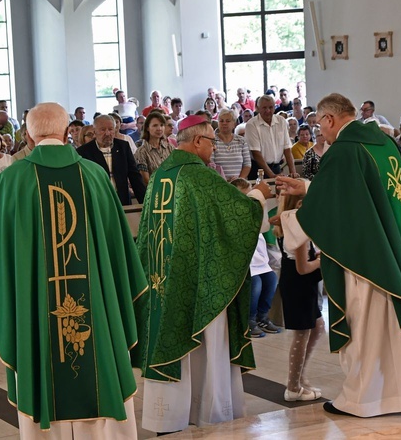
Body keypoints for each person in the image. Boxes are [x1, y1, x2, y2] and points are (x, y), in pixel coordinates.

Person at [275, 93, 401, 417]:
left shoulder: (344, 150)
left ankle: (366, 399)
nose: (320, 133)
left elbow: (339, 202)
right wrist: (306, 187)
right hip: (400, 246)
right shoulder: (383, 143)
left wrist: (290, 222)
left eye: (319, 126)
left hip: (367, 257)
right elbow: (358, 194)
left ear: (330, 119)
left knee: (370, 324)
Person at [0, 102, 148, 436]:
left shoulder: (9, 183)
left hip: (37, 311)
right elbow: (118, 250)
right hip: (95, 312)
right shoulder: (96, 176)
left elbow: (2, 257)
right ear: (68, 130)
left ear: (27, 134)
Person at [133, 115, 272, 434]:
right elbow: (237, 217)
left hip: (162, 278)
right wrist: (260, 194)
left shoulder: (160, 176)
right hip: (198, 282)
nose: (213, 147)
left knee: (171, 341)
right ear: (197, 141)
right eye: (211, 141)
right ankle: (208, 413)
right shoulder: (199, 176)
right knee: (206, 344)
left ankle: (168, 416)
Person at [272, 191, 324, 402]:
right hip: (299, 284)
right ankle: (293, 387)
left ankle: (300, 376)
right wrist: (324, 260)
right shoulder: (297, 231)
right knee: (302, 334)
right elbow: (303, 268)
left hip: (302, 284)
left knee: (318, 328)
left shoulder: (291, 224)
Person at [232, 178, 279, 338]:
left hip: (259, 262)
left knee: (271, 279)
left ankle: (262, 317)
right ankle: (249, 320)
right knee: (256, 283)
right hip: (246, 264)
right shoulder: (235, 213)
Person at [76, 115, 146, 206]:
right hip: (98, 203)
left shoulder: (123, 147)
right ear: (94, 131)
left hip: (122, 201)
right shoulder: (84, 152)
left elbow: (134, 176)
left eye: (110, 129)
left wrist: (144, 203)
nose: (107, 133)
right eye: (103, 130)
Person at [245, 95, 298, 180]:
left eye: (270, 107)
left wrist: (293, 172)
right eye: (264, 107)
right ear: (258, 108)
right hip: (259, 169)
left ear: (274, 107)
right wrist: (272, 175)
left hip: (276, 167)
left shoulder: (281, 121)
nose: (268, 110)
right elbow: (256, 153)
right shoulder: (251, 124)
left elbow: (287, 149)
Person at [135, 111, 174, 185]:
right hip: (154, 192)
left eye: (162, 125)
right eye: (155, 125)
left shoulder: (170, 147)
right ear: (147, 128)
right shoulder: (141, 152)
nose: (159, 128)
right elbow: (146, 181)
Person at [212, 108, 250, 180]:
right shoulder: (212, 141)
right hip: (219, 183)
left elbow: (247, 164)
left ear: (234, 123)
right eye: (221, 121)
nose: (224, 123)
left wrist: (239, 180)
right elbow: (211, 165)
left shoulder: (241, 141)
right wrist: (224, 181)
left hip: (239, 184)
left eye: (228, 121)